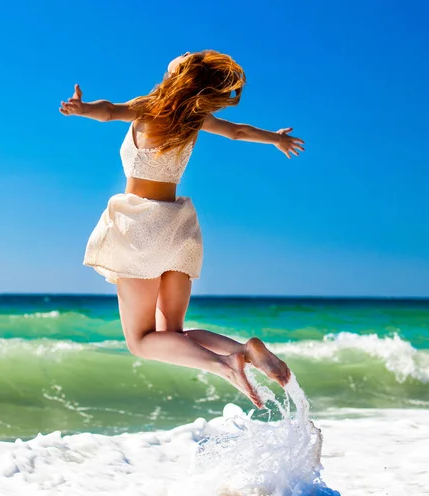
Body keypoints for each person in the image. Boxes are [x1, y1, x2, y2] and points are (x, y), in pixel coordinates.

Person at [59, 50, 303, 409]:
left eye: (188, 55)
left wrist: (83, 109)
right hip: (178, 227)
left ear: (181, 73)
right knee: (173, 333)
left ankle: (226, 364)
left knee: (141, 341)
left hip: (141, 226)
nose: (184, 52)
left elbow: (109, 111)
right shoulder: (195, 117)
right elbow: (237, 132)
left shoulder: (151, 105)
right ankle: (242, 350)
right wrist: (276, 139)